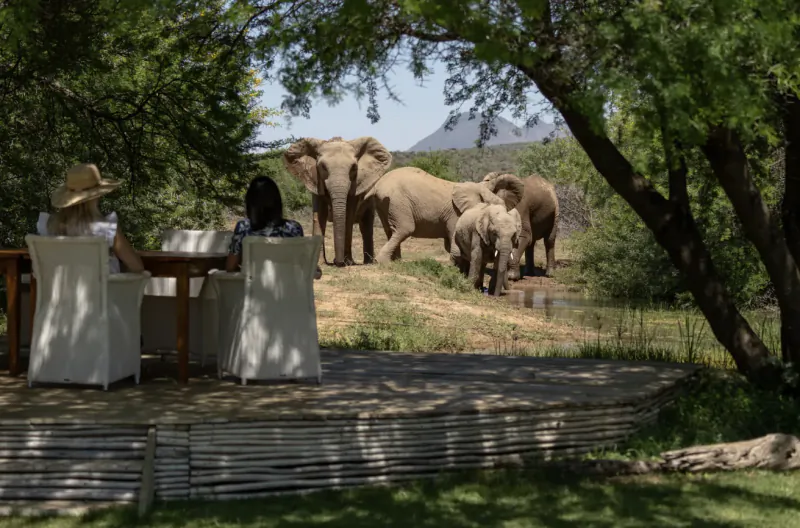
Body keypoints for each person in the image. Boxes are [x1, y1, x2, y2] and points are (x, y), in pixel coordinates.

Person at [37, 163, 144, 273]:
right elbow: (136, 266)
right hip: (102, 290)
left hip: (58, 290)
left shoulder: (47, 226)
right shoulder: (106, 229)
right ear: (96, 196)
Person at [226, 175, 322, 279]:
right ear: (277, 202)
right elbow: (302, 264)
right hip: (288, 292)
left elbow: (230, 267)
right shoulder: (293, 228)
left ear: (250, 203)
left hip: (254, 292)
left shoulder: (243, 227)